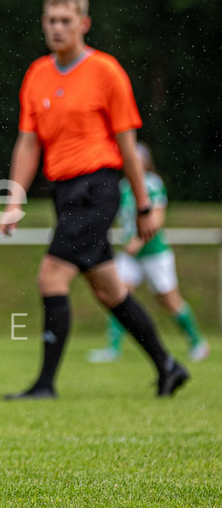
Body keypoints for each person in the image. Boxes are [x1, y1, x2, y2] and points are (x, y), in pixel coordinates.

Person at [0, 0, 190, 400]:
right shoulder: (37, 75)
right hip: (64, 190)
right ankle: (168, 365)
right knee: (109, 289)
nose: (57, 28)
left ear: (84, 24)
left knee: (51, 275)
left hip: (98, 187)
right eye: (51, 20)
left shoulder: (106, 71)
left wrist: (143, 204)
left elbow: (128, 146)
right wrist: (14, 200)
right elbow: (28, 143)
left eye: (66, 20)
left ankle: (45, 385)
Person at [87, 142, 210, 363]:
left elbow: (157, 217)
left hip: (154, 253)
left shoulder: (152, 184)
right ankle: (113, 349)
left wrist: (138, 241)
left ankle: (197, 343)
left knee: (169, 300)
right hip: (130, 255)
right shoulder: (123, 186)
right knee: (118, 295)